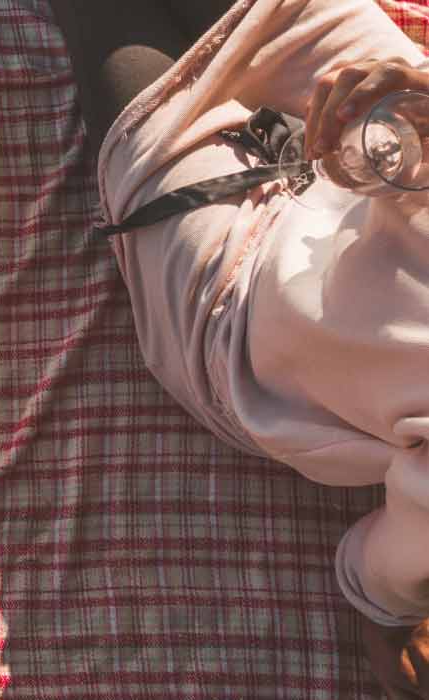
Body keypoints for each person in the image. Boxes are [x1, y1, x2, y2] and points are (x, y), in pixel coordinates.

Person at [50, 0, 429, 696]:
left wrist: (393, 615)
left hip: (236, 297)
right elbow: (381, 582)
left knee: (111, 24)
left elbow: (385, 577)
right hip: (390, 130)